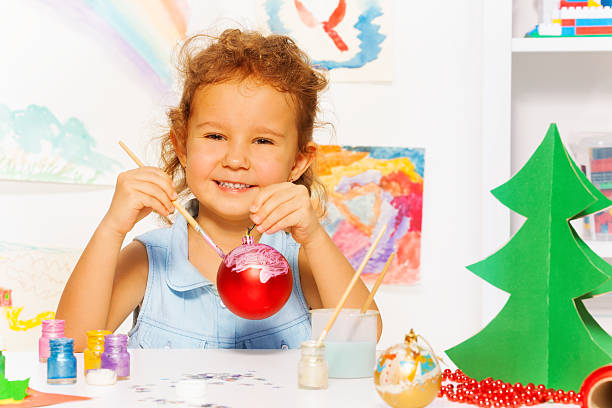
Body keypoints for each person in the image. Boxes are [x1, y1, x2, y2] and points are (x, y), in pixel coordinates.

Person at [56, 29, 382, 351]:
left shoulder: (302, 259)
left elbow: (362, 338)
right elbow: (72, 346)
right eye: (215, 137)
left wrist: (314, 236)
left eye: (263, 141)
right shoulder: (150, 259)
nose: (236, 160)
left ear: (297, 163)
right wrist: (112, 227)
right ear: (181, 146)